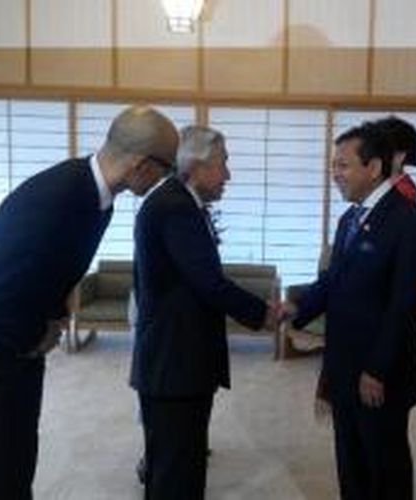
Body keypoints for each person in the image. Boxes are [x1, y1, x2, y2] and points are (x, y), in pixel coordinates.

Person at [0, 106, 179, 500]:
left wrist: (52, 322)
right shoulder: (60, 195)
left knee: (19, 455)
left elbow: (56, 271)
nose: (166, 178)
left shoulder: (97, 196)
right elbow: (3, 286)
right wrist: (40, 330)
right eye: (166, 168)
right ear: (142, 165)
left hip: (17, 340)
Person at [285, 118, 416, 499]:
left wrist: (377, 369)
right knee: (350, 456)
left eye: (343, 165)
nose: (335, 174)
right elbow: (333, 282)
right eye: (334, 165)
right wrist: (294, 308)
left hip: (378, 370)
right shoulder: (349, 218)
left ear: (373, 167)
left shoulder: (410, 224)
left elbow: (407, 307)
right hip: (344, 360)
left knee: (384, 460)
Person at [129, 125, 277, 499]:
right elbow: (209, 283)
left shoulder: (178, 201)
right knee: (177, 472)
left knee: (176, 461)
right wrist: (264, 314)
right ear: (196, 165)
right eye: (224, 163)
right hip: (174, 363)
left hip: (175, 359)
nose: (228, 174)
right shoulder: (176, 207)